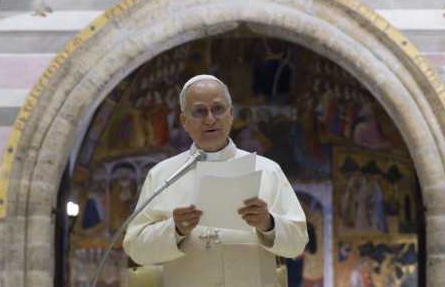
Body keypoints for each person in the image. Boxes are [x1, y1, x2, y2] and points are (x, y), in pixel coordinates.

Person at [123, 75, 308, 286]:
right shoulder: (163, 175)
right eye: (200, 111)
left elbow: (298, 244)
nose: (210, 119)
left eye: (218, 109)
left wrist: (268, 223)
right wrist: (175, 230)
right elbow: (136, 249)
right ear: (184, 121)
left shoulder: (268, 170)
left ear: (230, 115)